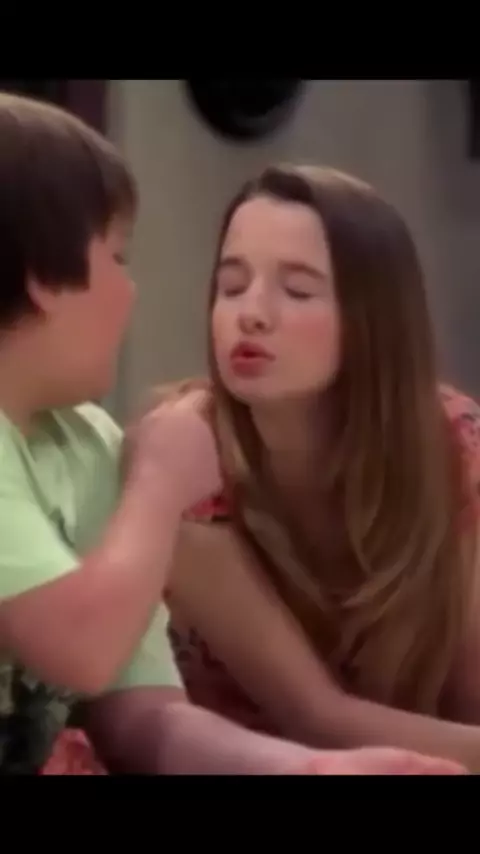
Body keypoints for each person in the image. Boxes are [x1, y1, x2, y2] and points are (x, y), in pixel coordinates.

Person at [0, 93, 460, 776]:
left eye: (297, 291)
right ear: (43, 279)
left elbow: (144, 717)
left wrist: (308, 771)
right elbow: (83, 650)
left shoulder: (88, 442)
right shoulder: (173, 461)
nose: (250, 316)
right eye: (119, 258)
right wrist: (158, 487)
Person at [161, 163, 480, 772]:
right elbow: (317, 720)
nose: (251, 314)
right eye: (232, 286)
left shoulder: (451, 440)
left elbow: (472, 698)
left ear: (373, 319)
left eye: (298, 291)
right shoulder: (184, 455)